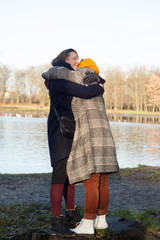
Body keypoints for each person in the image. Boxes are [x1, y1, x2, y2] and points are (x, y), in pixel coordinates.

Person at [43, 57, 119, 238]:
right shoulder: (92, 84)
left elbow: (55, 74)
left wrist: (99, 82)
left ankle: (87, 222)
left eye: (79, 60)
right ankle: (101, 220)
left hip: (89, 135)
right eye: (73, 58)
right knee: (102, 181)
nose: (76, 63)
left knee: (91, 181)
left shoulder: (79, 79)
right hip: (103, 135)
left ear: (84, 68)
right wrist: (100, 83)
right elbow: (54, 76)